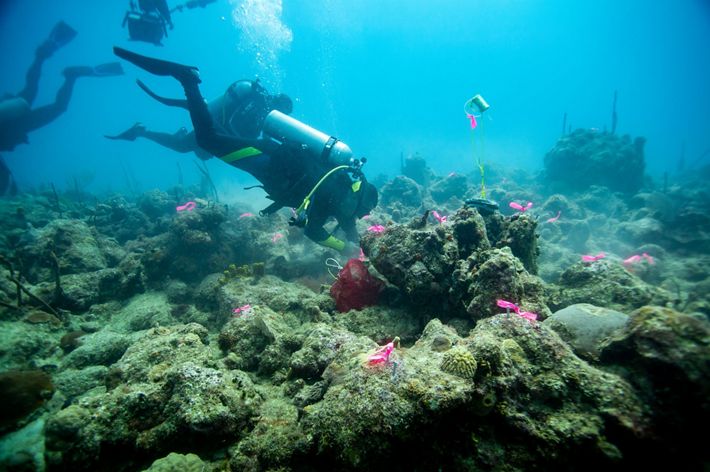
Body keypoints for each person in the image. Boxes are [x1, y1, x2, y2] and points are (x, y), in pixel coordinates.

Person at [112, 46, 378, 254]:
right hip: (263, 159)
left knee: (202, 143)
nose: (359, 216)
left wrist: (355, 249)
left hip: (266, 156)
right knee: (206, 140)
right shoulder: (339, 197)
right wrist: (346, 248)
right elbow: (315, 231)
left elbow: (345, 231)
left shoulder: (342, 190)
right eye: (363, 211)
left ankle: (183, 110)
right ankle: (188, 80)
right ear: (360, 201)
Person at [0, 21, 124, 195]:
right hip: (11, 123)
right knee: (32, 93)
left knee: (41, 101)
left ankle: (65, 72)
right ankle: (51, 62)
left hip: (8, 125)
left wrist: (8, 179)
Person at [104, 78, 292, 161]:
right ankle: (141, 131)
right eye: (282, 112)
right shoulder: (256, 102)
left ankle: (159, 133)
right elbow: (231, 121)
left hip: (222, 135)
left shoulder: (261, 112)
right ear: (277, 103)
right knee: (182, 146)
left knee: (197, 152)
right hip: (213, 125)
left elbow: (251, 133)